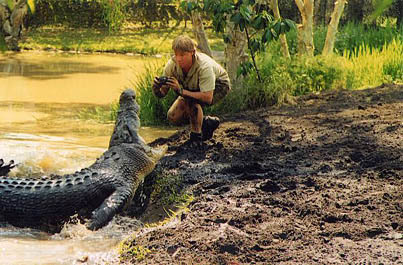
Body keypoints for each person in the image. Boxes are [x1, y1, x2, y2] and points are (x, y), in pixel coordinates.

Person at [152, 35, 231, 147]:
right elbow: (162, 93)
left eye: (183, 55)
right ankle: (206, 122)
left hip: (219, 85)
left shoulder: (204, 66)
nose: (179, 59)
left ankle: (196, 137)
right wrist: (156, 88)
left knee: (192, 102)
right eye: (176, 54)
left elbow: (207, 98)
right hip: (192, 87)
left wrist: (181, 91)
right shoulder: (172, 65)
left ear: (192, 53)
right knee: (173, 116)